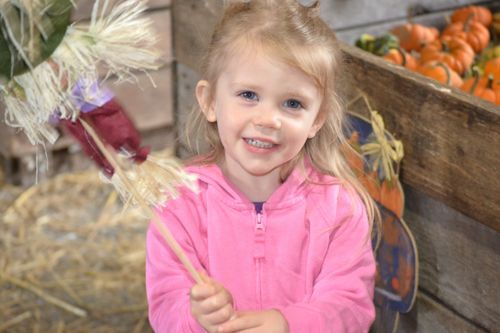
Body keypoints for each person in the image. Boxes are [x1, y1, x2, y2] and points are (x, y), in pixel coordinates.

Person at [146, 0, 378, 332]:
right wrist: (196, 318)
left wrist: (288, 324)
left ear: (317, 119)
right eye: (249, 95)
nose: (268, 120)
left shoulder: (339, 209)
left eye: (292, 103)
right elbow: (166, 309)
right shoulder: (179, 205)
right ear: (210, 100)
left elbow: (349, 307)